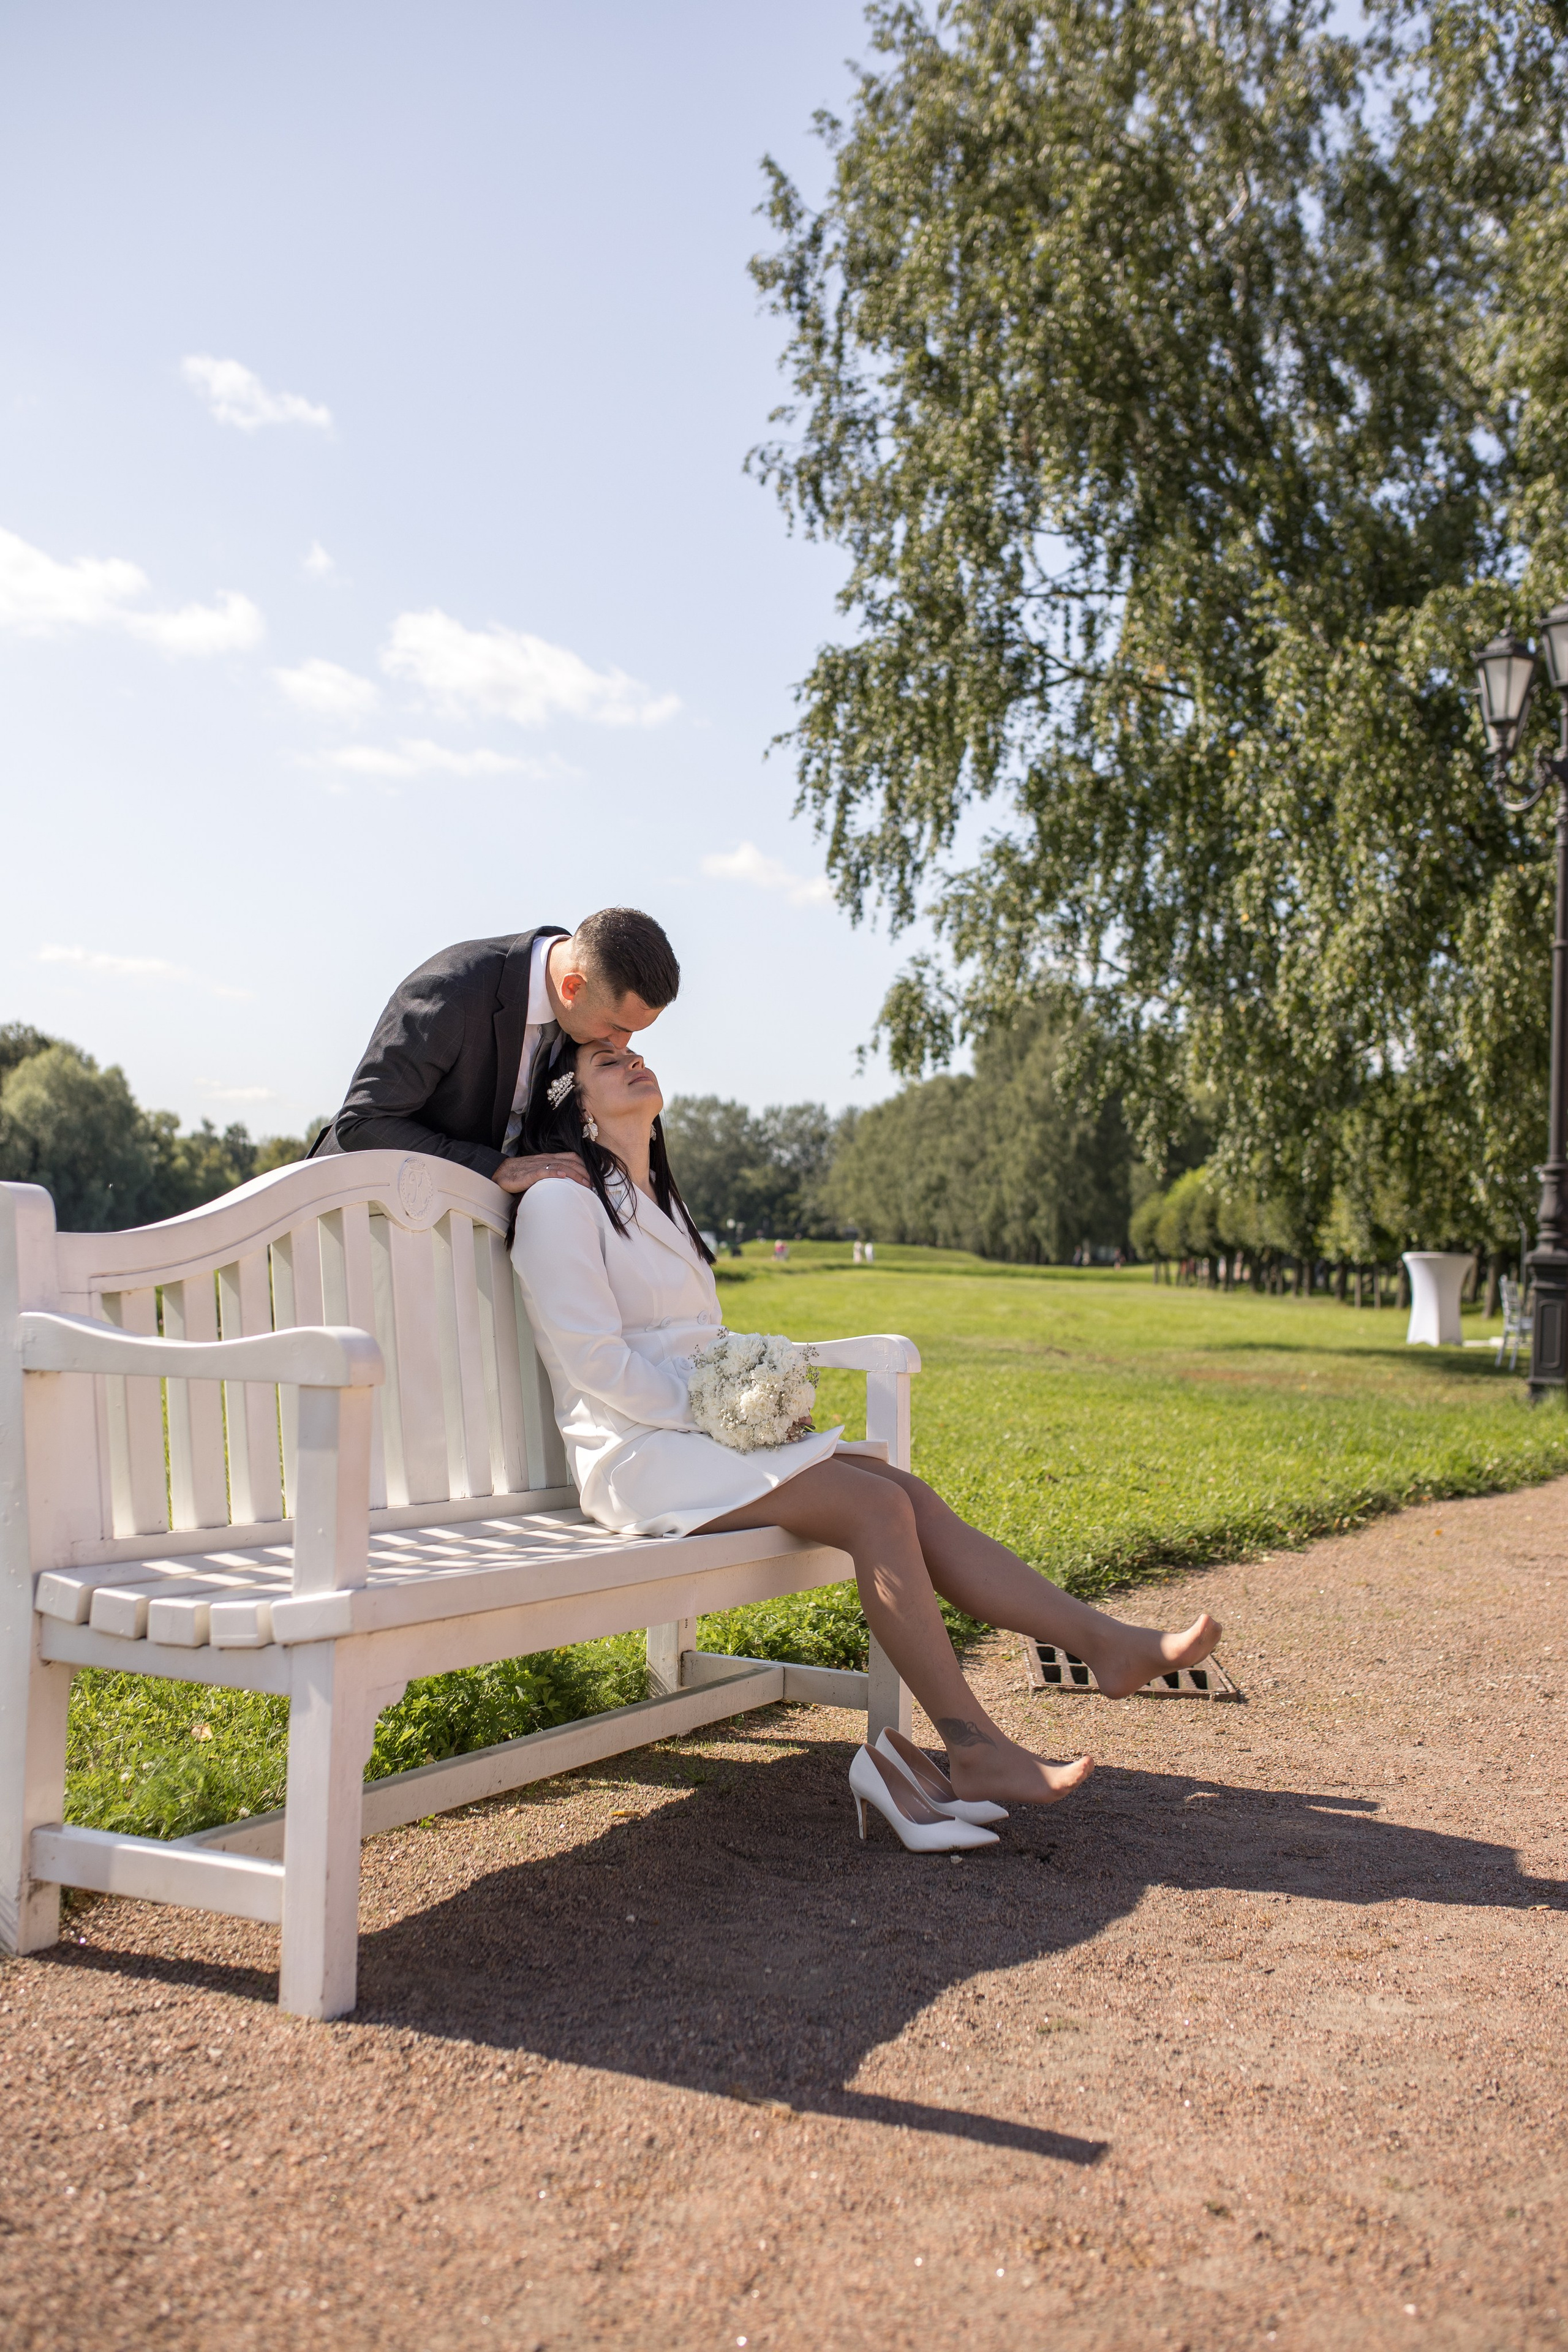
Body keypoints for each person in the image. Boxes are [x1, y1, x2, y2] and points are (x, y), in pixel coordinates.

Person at [508, 1033, 1224, 1850]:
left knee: (903, 1493)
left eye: (633, 1053)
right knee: (877, 1510)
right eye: (607, 1063)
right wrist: (732, 1412)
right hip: (636, 1456)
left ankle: (1108, 1645)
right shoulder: (560, 1204)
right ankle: (976, 1746)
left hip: (697, 1441)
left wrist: (764, 1394)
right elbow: (594, 1362)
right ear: (575, 1107)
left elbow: (698, 1339)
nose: (634, 1060)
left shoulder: (656, 1198)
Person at [310, 908, 678, 1197]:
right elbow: (363, 1123)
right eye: (616, 1025)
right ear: (572, 987)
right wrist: (495, 1168)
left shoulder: (583, 1012)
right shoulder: (454, 990)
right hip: (362, 1221)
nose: (620, 1043)